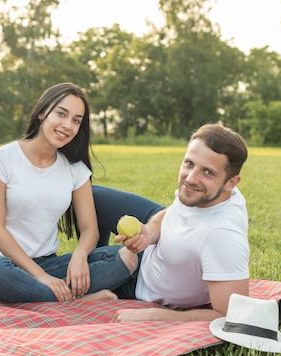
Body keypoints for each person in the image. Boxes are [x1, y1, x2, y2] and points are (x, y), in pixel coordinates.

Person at [0, 82, 141, 303]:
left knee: (124, 257)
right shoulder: (2, 159)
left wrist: (80, 255)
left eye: (76, 121)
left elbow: (90, 228)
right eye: (61, 114)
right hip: (5, 266)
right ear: (43, 112)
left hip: (51, 265)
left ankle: (49, 295)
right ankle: (73, 299)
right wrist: (40, 276)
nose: (67, 125)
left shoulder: (75, 169)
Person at [94, 123, 250, 321]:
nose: (191, 178)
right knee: (92, 196)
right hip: (148, 254)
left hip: (137, 284)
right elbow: (173, 211)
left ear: (232, 183)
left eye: (208, 172)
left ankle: (96, 286)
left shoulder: (222, 236)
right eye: (189, 163)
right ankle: (94, 270)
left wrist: (155, 315)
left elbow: (231, 314)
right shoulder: (207, 193)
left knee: (47, 287)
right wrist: (149, 232)